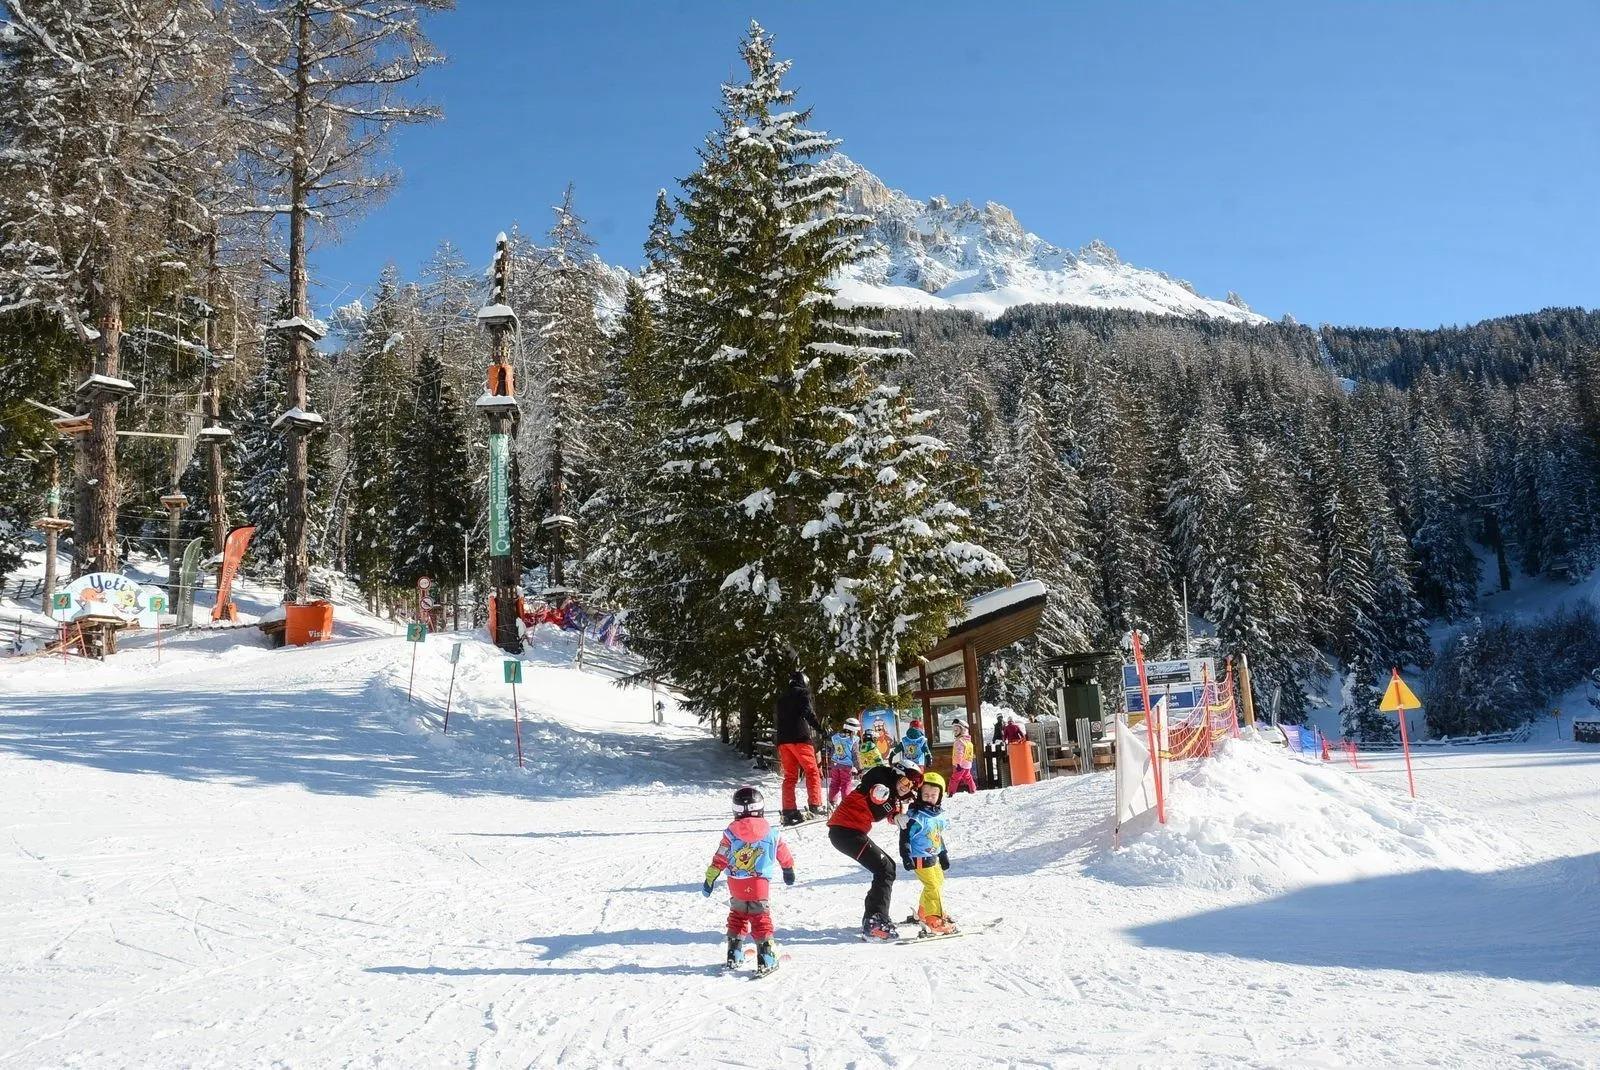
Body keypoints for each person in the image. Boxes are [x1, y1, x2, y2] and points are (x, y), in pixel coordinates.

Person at [826, 758, 923, 940]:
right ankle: (875, 922)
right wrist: (879, 792)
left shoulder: (894, 796)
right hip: (845, 832)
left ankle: (873, 918)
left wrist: (896, 818)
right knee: (884, 869)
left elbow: (889, 809)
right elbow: (876, 793)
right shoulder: (881, 781)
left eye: (910, 786)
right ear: (897, 774)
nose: (906, 787)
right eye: (904, 781)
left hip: (851, 833)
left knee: (889, 867)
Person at [703, 785, 795, 973]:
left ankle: (734, 954)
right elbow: (782, 851)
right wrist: (788, 869)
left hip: (736, 882)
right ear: (760, 808)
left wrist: (711, 876)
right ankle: (767, 957)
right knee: (760, 917)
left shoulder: (730, 832)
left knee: (738, 915)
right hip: (758, 884)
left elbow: (721, 855)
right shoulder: (771, 832)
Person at [899, 771, 955, 935]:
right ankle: (934, 919)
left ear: (940, 796)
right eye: (926, 794)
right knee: (933, 887)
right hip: (919, 858)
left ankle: (923, 912)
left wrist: (943, 854)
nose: (929, 797)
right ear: (919, 795)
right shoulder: (916, 817)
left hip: (933, 857)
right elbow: (905, 837)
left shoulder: (938, 816)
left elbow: (938, 836)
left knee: (937, 882)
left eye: (933, 795)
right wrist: (905, 856)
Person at [775, 670, 826, 825]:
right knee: (812, 771)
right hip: (800, 739)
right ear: (803, 681)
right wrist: (821, 729)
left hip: (783, 741)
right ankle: (815, 805)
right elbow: (808, 713)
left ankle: (788, 810)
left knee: (790, 776)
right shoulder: (802, 693)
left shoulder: (782, 697)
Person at [826, 717, 861, 807]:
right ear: (853, 730)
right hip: (846, 766)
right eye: (856, 731)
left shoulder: (835, 737)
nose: (856, 733)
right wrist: (859, 768)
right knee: (846, 784)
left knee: (835, 782)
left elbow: (833, 750)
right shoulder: (854, 740)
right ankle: (846, 803)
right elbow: (855, 755)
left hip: (835, 764)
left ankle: (832, 801)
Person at [948, 721, 977, 794]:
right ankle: (973, 789)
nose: (955, 732)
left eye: (957, 730)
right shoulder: (968, 741)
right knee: (967, 777)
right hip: (967, 764)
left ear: (963, 730)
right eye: (954, 730)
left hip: (960, 765)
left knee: (954, 779)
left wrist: (958, 764)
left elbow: (959, 753)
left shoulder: (959, 741)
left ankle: (951, 792)